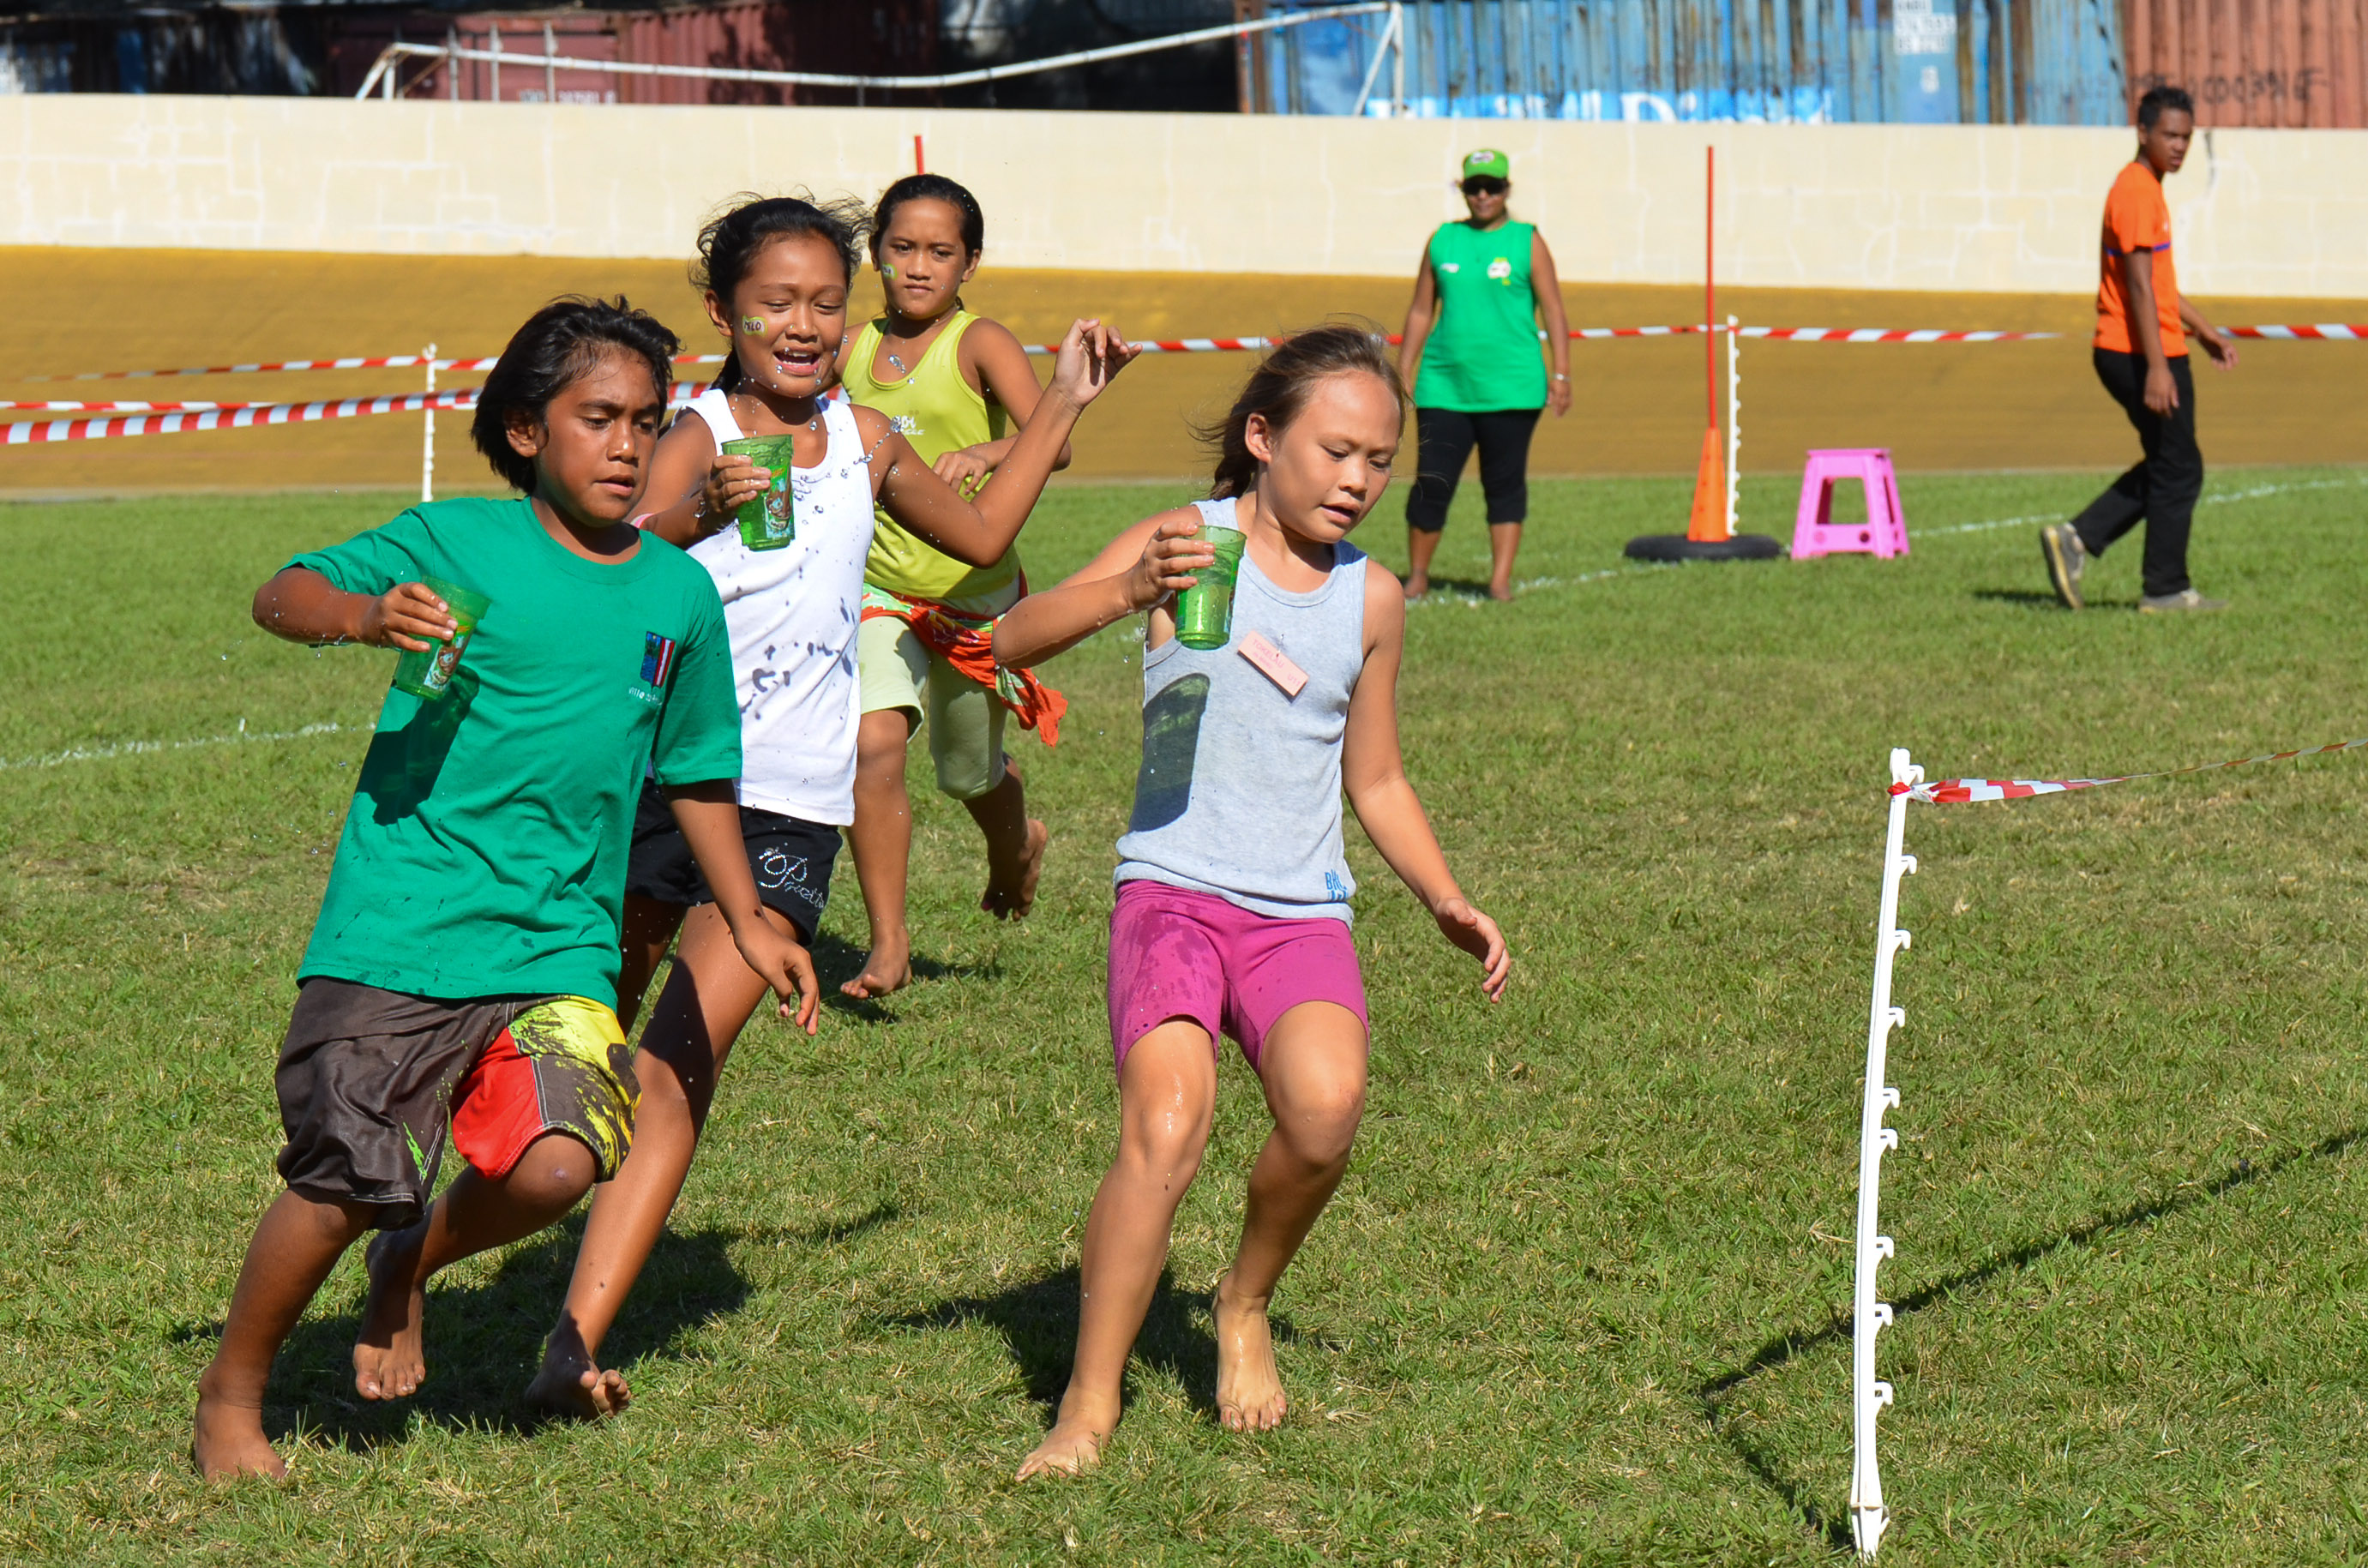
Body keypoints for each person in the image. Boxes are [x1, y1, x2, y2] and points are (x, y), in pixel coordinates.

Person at [526, 195, 1137, 1417]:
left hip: (789, 813)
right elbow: (599, 558)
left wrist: (1063, 399)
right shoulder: (691, 434)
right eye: (777, 304)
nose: (804, 326)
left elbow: (983, 530)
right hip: (654, 788)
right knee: (573, 1047)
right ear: (723, 313)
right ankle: (420, 1254)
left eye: (824, 303)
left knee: (677, 1071)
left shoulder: (867, 436)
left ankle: (571, 1339)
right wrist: (689, 513)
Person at [190, 297, 815, 1480]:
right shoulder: (456, 540)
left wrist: (744, 917)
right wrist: (363, 617)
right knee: (338, 1187)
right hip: (402, 931)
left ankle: (408, 1261)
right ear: (527, 431)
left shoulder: (676, 594)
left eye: (645, 420)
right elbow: (284, 591)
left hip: (557, 945)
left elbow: (695, 775)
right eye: (597, 419)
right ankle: (232, 1393)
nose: (627, 446)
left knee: (562, 1159)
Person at [993, 325, 1512, 1479]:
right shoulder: (1183, 539)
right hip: (1171, 891)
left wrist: (1443, 896)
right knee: (1166, 1127)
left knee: (1324, 1115)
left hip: (1299, 910)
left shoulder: (1371, 598)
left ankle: (1240, 1300)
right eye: (1335, 451)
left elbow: (1373, 776)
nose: (1355, 480)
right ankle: (1086, 1403)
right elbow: (1009, 642)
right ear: (1262, 438)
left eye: (1378, 461)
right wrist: (1131, 587)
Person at [833, 174, 1070, 1000]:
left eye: (942, 252)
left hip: (975, 600)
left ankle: (1017, 847)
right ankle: (888, 942)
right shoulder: (850, 348)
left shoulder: (981, 342)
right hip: (879, 591)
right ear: (875, 255)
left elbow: (1055, 439)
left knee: (970, 773)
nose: (920, 266)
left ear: (970, 262)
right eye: (903, 248)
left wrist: (988, 455)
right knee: (873, 744)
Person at [2041, 85, 2239, 614]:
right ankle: (2165, 588)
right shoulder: (2134, 191)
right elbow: (2138, 287)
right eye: (2170, 135)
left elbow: (2161, 286)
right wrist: (2157, 366)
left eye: (2187, 137)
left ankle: (2077, 539)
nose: (2179, 146)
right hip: (2138, 351)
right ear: (2143, 132)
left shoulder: (2150, 188)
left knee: (2171, 462)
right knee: (2179, 467)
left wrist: (2204, 330)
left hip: (2157, 346)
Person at [1394, 147, 1572, 603]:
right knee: (1433, 482)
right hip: (1444, 385)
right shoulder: (1443, 240)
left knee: (1505, 484)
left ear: (1507, 190)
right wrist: (1404, 372)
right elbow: (1419, 311)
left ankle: (1500, 581)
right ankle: (1417, 576)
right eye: (1474, 187)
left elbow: (1553, 309)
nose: (1484, 195)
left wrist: (1562, 374)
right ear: (1464, 190)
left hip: (1513, 387)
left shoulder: (1527, 240)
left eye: (1492, 187)